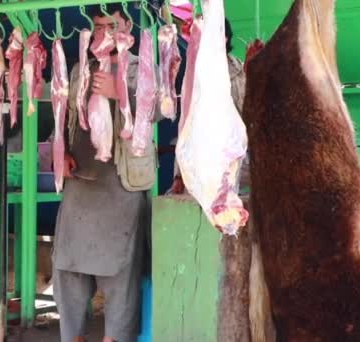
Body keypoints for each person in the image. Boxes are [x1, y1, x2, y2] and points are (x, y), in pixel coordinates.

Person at [52, 4, 156, 342]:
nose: (104, 34)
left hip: (122, 185)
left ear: (127, 27)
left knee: (119, 276)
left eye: (111, 26)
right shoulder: (81, 68)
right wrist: (62, 153)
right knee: (69, 269)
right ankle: (73, 337)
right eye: (98, 27)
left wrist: (119, 93)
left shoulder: (142, 67)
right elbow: (66, 120)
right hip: (81, 184)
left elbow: (160, 111)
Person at [168, 12, 248, 194]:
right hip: (199, 160)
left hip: (235, 161)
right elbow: (186, 126)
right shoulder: (193, 75)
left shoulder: (241, 71)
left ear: (225, 38)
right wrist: (178, 176)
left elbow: (250, 119)